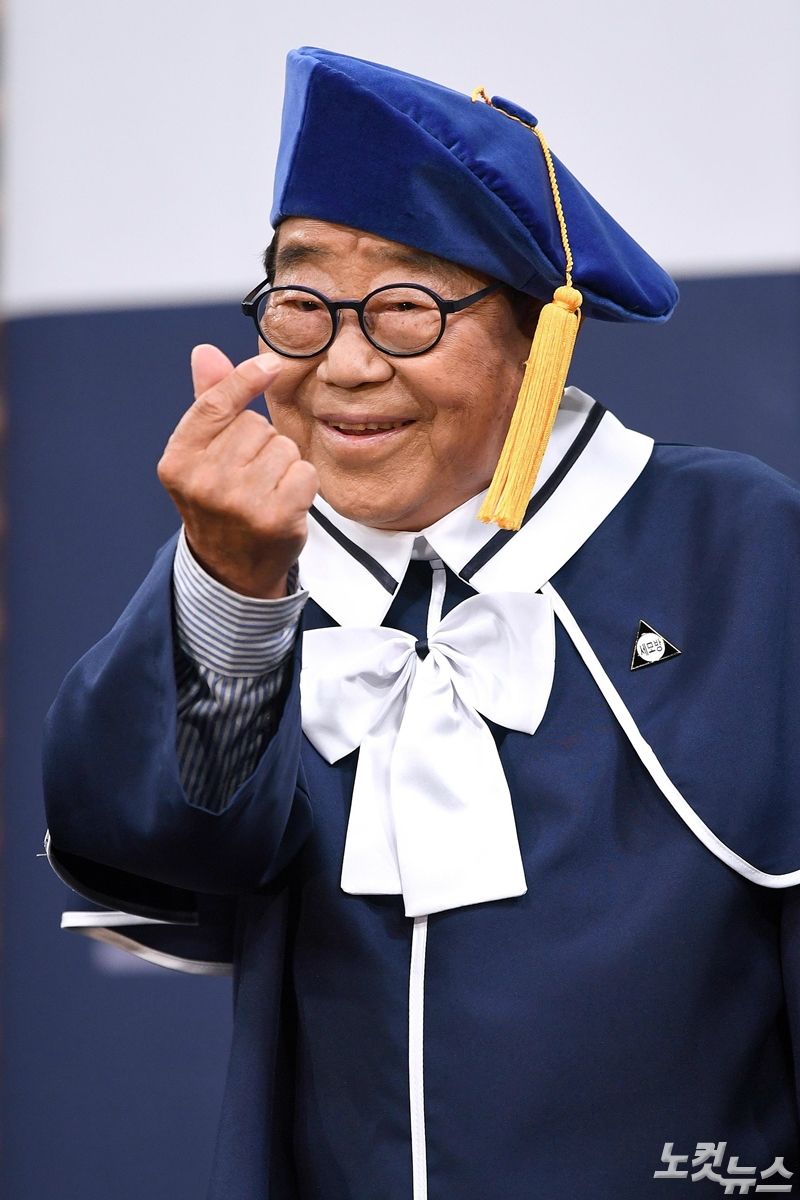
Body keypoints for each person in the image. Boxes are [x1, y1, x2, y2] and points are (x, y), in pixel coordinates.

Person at [43, 47, 800, 1200]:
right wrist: (231, 590)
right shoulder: (251, 555)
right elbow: (154, 852)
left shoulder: (734, 543)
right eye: (302, 307)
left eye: (404, 309)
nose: (344, 366)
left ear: (535, 338)